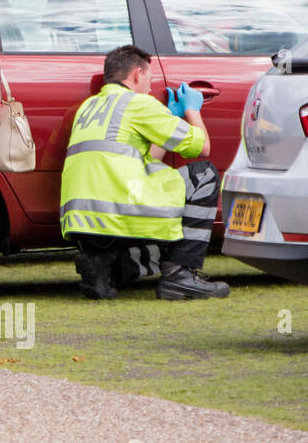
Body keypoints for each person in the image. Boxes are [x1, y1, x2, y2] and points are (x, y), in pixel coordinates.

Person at [60, 44, 229, 300]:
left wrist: (166, 122)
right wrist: (192, 110)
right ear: (138, 74)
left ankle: (106, 265)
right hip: (120, 212)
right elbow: (201, 147)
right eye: (150, 78)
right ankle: (181, 275)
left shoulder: (88, 107)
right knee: (203, 174)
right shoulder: (139, 103)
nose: (151, 87)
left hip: (82, 223)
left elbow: (142, 159)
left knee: (151, 178)